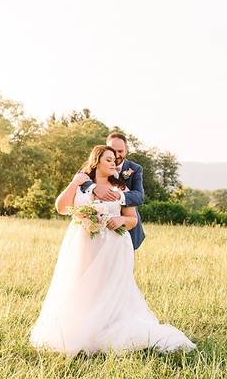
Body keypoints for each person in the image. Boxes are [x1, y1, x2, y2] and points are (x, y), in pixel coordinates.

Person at [28, 145, 196, 357]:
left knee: (107, 289)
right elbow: (61, 208)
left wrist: (120, 220)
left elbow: (133, 220)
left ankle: (106, 330)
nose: (114, 163)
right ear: (96, 161)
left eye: (115, 160)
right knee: (81, 287)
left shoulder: (121, 189)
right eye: (108, 159)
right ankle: (80, 329)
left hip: (113, 246)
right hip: (82, 245)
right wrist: (74, 183)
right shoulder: (81, 185)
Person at [91, 132, 146, 250]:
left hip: (127, 226)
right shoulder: (94, 166)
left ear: (126, 149)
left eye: (120, 151)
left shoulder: (135, 169)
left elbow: (139, 196)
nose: (116, 155)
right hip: (97, 228)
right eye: (113, 150)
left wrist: (118, 195)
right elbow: (81, 179)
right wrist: (93, 187)